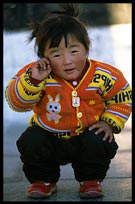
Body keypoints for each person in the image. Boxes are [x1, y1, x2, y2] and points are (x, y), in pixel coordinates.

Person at [5, 3, 132, 199]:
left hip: (87, 137)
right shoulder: (36, 74)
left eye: (74, 51)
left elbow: (122, 97)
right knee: (31, 140)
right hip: (49, 137)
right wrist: (33, 81)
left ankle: (90, 179)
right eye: (56, 54)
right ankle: (43, 180)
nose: (67, 61)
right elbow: (16, 103)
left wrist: (109, 122)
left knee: (100, 140)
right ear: (44, 57)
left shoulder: (105, 75)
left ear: (86, 47)